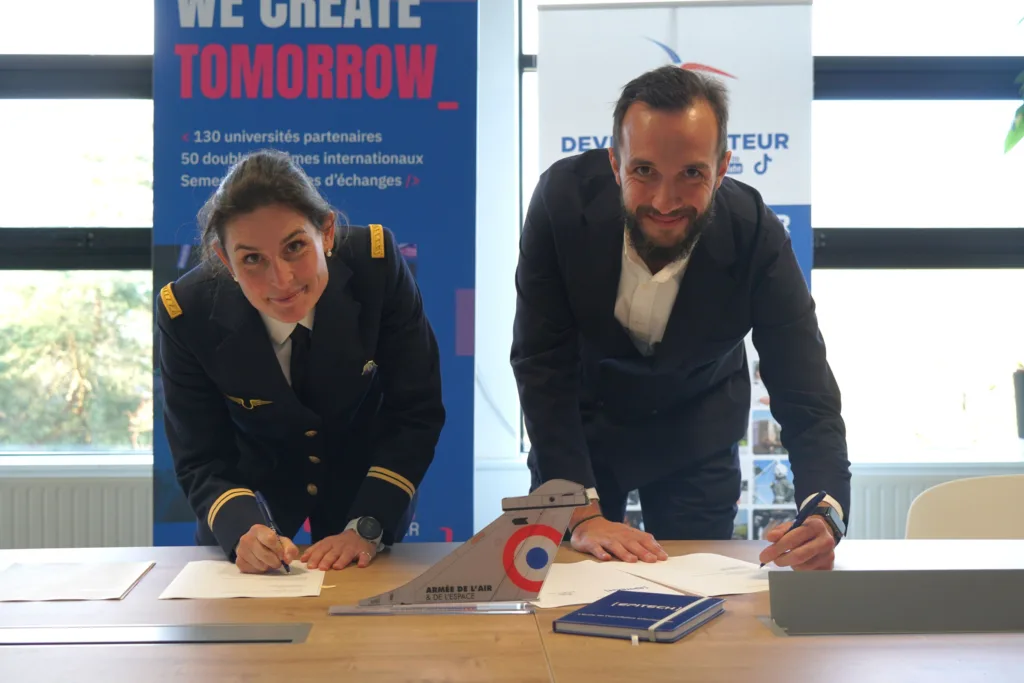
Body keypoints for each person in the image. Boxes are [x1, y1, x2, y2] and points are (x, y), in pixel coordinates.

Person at [511, 65, 850, 571]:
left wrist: (824, 511)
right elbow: (541, 363)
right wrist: (579, 513)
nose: (665, 202)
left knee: (698, 595)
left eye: (691, 174)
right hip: (581, 427)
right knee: (569, 582)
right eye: (643, 171)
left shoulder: (754, 231)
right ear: (613, 162)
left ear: (723, 166)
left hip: (697, 428)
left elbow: (805, 385)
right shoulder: (561, 203)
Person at [157, 149, 445, 574]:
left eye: (295, 246)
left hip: (363, 486)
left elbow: (414, 412)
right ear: (225, 261)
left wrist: (367, 525)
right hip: (252, 486)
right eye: (252, 258)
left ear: (326, 233)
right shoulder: (187, 312)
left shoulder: (377, 267)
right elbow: (201, 456)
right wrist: (243, 531)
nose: (282, 279)